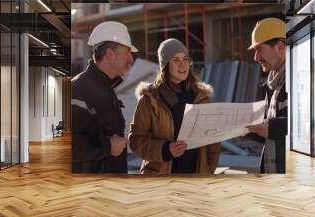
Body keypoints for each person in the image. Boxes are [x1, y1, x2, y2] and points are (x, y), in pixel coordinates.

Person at [129, 38, 221, 174]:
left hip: (196, 179)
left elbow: (213, 142)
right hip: (161, 179)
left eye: (185, 59)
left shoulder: (200, 97)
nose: (183, 65)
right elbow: (135, 141)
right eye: (176, 60)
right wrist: (165, 149)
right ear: (165, 65)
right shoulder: (150, 99)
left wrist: (208, 170)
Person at [71, 21, 137, 173]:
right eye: (128, 52)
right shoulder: (79, 90)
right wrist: (107, 146)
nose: (131, 59)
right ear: (110, 54)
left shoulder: (106, 88)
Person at [245, 18, 287, 173]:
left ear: (280, 48)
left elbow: (307, 126)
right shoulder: (273, 85)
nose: (256, 57)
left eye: (259, 49)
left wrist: (270, 127)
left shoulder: (299, 81)